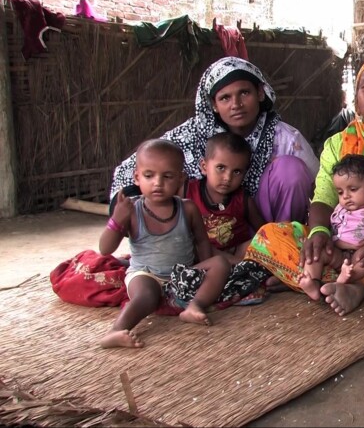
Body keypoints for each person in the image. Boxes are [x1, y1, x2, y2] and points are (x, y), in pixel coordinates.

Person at [232, 59, 364, 315]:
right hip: (340, 245)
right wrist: (318, 232)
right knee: (269, 236)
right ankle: (349, 280)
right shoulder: (338, 143)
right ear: (357, 100)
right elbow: (324, 197)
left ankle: (336, 281)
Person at [110, 56, 319, 224]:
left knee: (290, 170)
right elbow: (131, 169)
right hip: (205, 228)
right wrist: (134, 216)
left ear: (260, 93)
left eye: (244, 93)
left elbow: (320, 188)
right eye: (225, 98)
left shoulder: (285, 138)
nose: (236, 104)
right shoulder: (192, 134)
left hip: (268, 223)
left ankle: (281, 251)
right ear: (214, 105)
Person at [99, 139, 257, 349]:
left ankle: (194, 306)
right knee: (147, 295)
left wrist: (206, 272)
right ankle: (116, 331)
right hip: (146, 274)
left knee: (220, 264)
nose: (158, 183)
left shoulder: (188, 208)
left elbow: (202, 242)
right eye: (149, 175)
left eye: (167, 176)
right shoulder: (133, 211)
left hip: (182, 273)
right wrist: (116, 221)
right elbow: (105, 249)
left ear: (181, 179)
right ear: (137, 178)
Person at [183, 132, 266, 265]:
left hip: (235, 251)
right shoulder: (188, 191)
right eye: (221, 168)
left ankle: (236, 264)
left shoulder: (243, 199)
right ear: (204, 167)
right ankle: (236, 264)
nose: (228, 178)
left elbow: (264, 231)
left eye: (237, 171)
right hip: (201, 253)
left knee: (261, 242)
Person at [302, 154, 364, 285]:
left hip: (358, 256)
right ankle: (312, 282)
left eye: (353, 189)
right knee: (316, 253)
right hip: (337, 253)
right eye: (340, 192)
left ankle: (345, 281)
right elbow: (331, 234)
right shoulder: (339, 208)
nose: (346, 196)